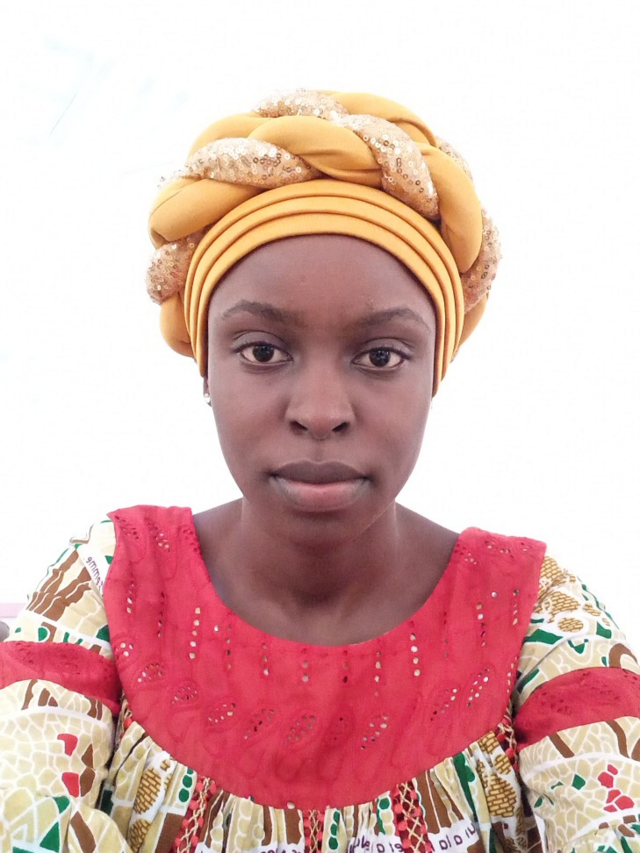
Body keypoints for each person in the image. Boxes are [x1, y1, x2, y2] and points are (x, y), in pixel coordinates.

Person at [1, 88, 639, 853]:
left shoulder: (540, 621)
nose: (320, 410)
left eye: (381, 355)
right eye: (262, 350)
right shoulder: (106, 589)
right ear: (206, 367)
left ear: (433, 373)